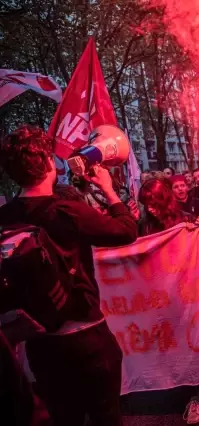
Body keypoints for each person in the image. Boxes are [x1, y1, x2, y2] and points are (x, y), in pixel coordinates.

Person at [0, 125, 138, 426]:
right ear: (49, 163)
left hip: (41, 345)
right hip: (87, 341)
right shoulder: (67, 209)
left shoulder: (5, 217)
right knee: (106, 419)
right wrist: (108, 189)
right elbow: (127, 230)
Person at [136, 178, 199, 425]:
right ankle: (182, 386)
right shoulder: (144, 224)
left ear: (165, 199)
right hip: (159, 294)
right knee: (171, 344)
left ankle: (195, 395)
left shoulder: (187, 219)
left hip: (187, 293)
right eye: (146, 204)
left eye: (154, 203)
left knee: (189, 344)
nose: (151, 209)